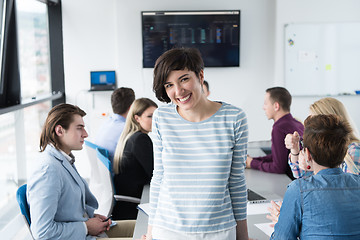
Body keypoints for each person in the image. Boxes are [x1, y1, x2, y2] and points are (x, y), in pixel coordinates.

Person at [143, 47, 249, 240]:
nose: (178, 91)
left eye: (184, 79)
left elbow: (236, 182)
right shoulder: (161, 117)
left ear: (200, 75)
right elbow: (159, 176)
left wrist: (243, 236)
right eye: (168, 85)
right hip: (167, 230)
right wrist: (150, 233)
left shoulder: (234, 118)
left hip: (219, 232)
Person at [27, 103, 135, 240]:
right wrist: (86, 227)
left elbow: (66, 209)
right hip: (82, 236)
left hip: (86, 231)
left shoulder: (63, 159)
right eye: (79, 128)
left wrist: (89, 218)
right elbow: (43, 233)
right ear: (59, 131)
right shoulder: (48, 170)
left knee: (149, 229)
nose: (86, 134)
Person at [267, 97, 360, 226]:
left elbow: (343, 199)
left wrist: (287, 221)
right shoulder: (328, 149)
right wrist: (295, 150)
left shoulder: (354, 152)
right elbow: (303, 175)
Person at [112, 98, 158, 220]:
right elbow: (154, 174)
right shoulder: (141, 139)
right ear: (137, 118)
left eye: (156, 116)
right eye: (150, 116)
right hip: (133, 207)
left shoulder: (131, 137)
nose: (155, 120)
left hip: (124, 206)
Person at [246, 87, 304, 179]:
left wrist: (252, 163)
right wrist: (252, 160)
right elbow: (279, 156)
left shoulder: (279, 128)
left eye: (265, 103)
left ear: (276, 106)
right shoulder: (297, 123)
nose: (263, 107)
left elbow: (278, 167)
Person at [95, 87, 135, 161]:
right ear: (131, 107)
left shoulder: (106, 123)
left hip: (105, 170)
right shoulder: (127, 130)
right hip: (117, 170)